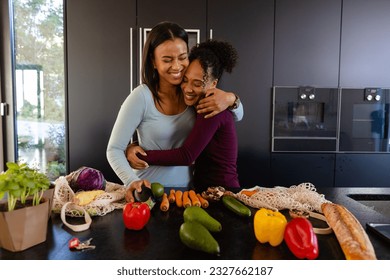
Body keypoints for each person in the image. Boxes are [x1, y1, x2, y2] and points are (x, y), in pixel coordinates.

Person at [106, 22, 243, 202]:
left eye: (182, 57)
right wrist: (132, 179)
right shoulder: (141, 97)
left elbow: (236, 116)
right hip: (148, 188)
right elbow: (114, 149)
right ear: (153, 62)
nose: (177, 66)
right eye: (167, 59)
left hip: (188, 191)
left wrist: (232, 99)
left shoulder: (192, 94)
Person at [130, 39, 240, 191]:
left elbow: (187, 155)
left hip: (222, 190)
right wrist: (134, 146)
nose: (188, 89)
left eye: (197, 84)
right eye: (185, 80)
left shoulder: (211, 109)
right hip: (203, 188)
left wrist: (140, 155)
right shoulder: (195, 105)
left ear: (213, 84)